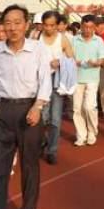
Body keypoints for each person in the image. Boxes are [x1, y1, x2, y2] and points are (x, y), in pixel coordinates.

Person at [0, 4, 52, 209]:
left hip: (29, 109)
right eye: (8, 22)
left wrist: (38, 107)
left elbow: (45, 81)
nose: (12, 27)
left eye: (17, 22)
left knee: (29, 164)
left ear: (26, 24)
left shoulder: (38, 49)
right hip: (4, 111)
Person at [39, 11, 73, 164]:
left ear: (57, 25)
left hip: (57, 81)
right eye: (46, 25)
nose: (49, 28)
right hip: (40, 80)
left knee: (55, 118)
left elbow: (72, 59)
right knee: (42, 117)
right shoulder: (36, 38)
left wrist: (60, 63)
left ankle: (52, 151)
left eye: (52, 25)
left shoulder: (63, 39)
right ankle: (44, 140)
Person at [72, 15, 104, 147]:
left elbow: (103, 60)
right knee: (77, 108)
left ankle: (92, 132)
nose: (87, 30)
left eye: (90, 27)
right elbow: (68, 57)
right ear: (81, 26)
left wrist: (97, 62)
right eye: (85, 27)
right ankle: (81, 135)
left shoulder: (99, 41)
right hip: (76, 78)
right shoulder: (74, 40)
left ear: (94, 28)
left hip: (92, 78)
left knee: (89, 107)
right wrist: (73, 61)